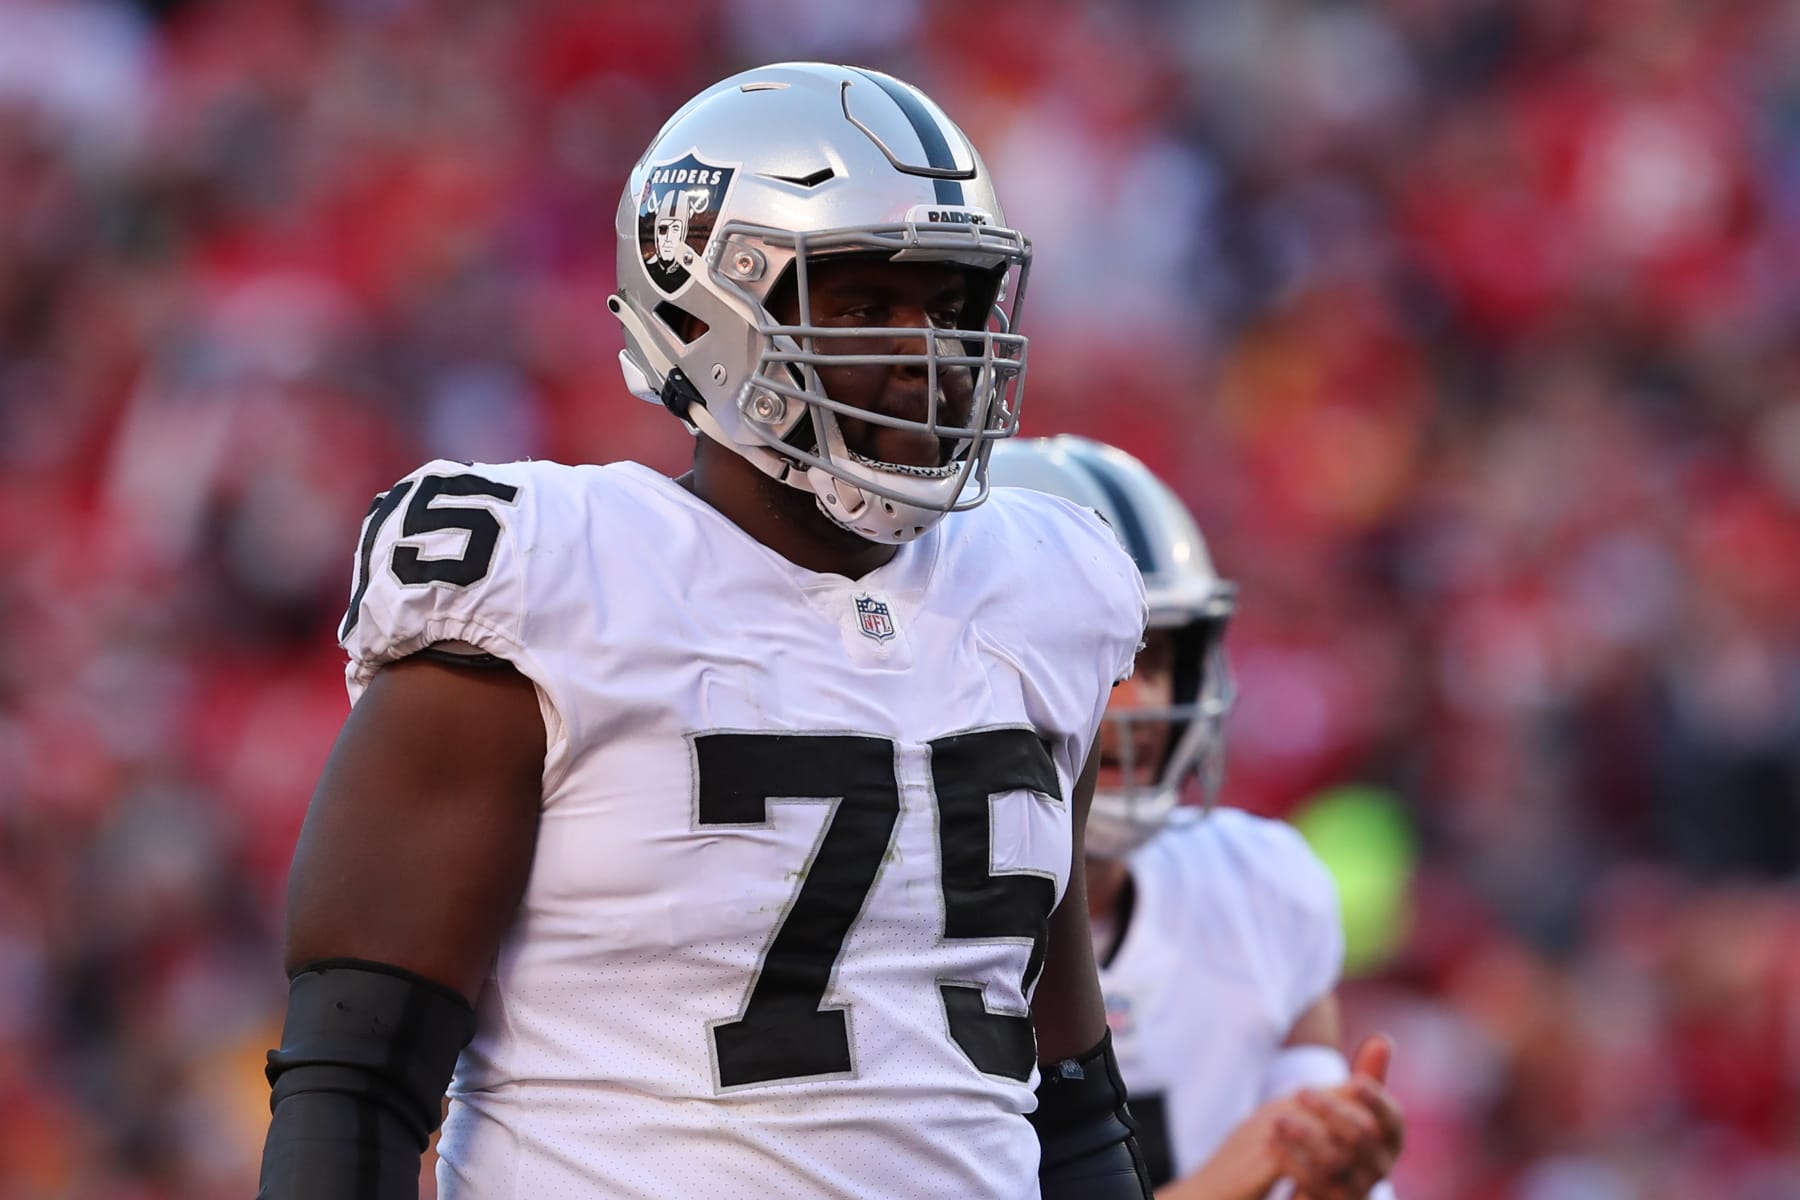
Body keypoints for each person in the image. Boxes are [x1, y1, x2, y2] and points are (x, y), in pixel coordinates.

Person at [257, 64, 1157, 1200]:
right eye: (867, 303)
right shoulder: (549, 578)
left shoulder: (1048, 586)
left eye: (951, 304)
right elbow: (357, 1085)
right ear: (703, 306)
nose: (927, 355)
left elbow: (1067, 1097)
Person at [988, 436, 1404, 1200]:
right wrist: (1225, 1184)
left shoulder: (1259, 889)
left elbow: (1299, 1167)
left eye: (1153, 659)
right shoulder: (908, 926)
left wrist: (1326, 1177)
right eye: (1101, 661)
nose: (1139, 701)